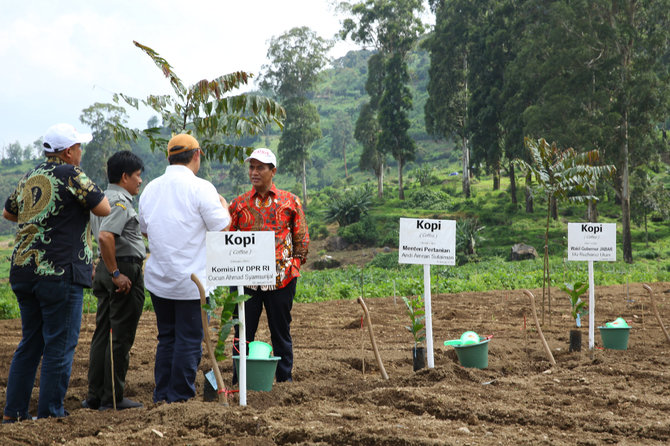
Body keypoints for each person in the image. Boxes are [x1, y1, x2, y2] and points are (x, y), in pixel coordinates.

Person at [2, 123, 110, 422]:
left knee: (31, 342)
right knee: (59, 345)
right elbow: (103, 208)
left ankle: (14, 413)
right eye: (78, 148)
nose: (80, 153)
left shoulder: (29, 175)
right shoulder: (71, 173)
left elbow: (9, 212)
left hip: (24, 271)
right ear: (67, 152)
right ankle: (50, 414)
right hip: (60, 271)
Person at [139, 133, 231, 403]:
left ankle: (162, 396)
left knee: (167, 338)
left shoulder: (151, 189)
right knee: (189, 340)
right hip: (194, 284)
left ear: (169, 157)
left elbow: (146, 231)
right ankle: (179, 398)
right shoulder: (201, 188)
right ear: (196, 156)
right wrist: (223, 206)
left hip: (160, 280)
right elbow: (222, 228)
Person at [229, 148, 309, 383]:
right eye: (251, 167)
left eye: (260, 168)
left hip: (281, 280)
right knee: (242, 332)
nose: (254, 172)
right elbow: (229, 238)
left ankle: (285, 380)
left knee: (280, 332)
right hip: (247, 283)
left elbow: (301, 238)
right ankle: (240, 381)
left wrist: (293, 264)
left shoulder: (290, 201)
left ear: (273, 171)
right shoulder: (239, 204)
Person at [83, 151, 146, 411]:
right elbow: (106, 237)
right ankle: (113, 398)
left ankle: (96, 395)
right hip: (122, 269)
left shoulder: (101, 198)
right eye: (137, 176)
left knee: (102, 332)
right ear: (124, 177)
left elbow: (94, 235)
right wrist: (117, 274)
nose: (140, 182)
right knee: (120, 335)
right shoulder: (120, 201)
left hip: (107, 268)